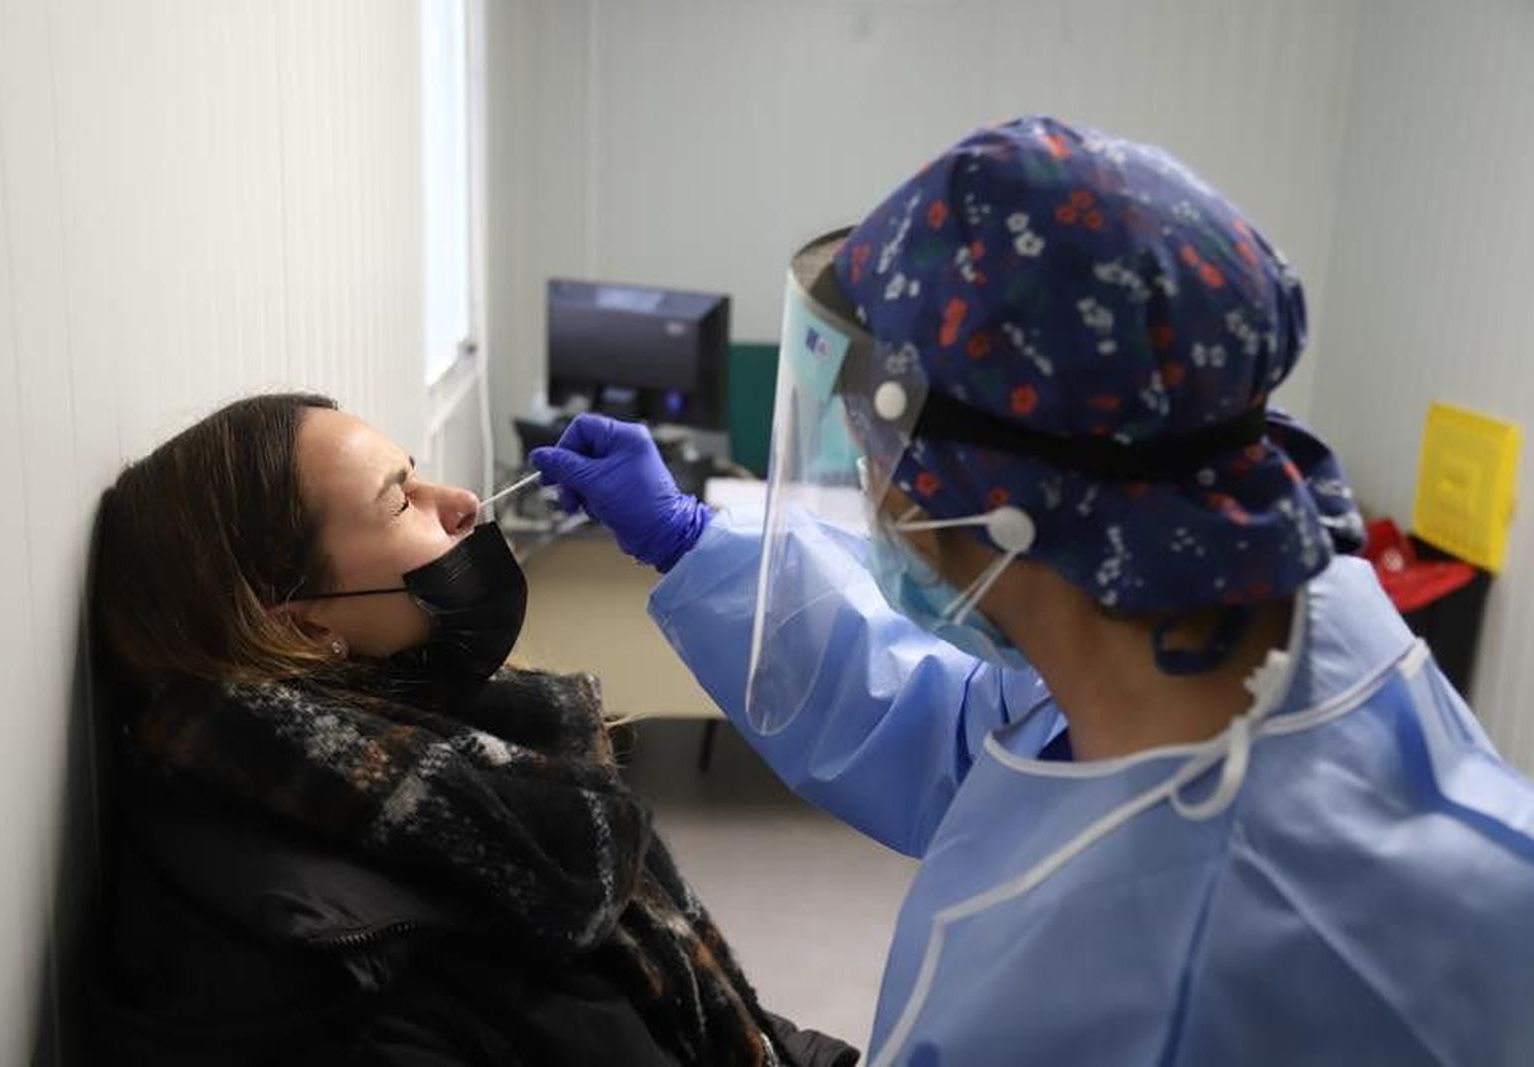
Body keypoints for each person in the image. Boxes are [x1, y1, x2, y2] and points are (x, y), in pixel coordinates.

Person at [530, 116, 1534, 1066]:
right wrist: (693, 541)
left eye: (873, 441)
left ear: (986, 493)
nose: (869, 479)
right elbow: (958, 734)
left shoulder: (1134, 987)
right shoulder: (1234, 620)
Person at [86, 394, 858, 1067]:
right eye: (400, 501)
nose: (459, 499)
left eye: (417, 470)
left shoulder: (444, 767)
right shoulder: (351, 987)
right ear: (311, 623)